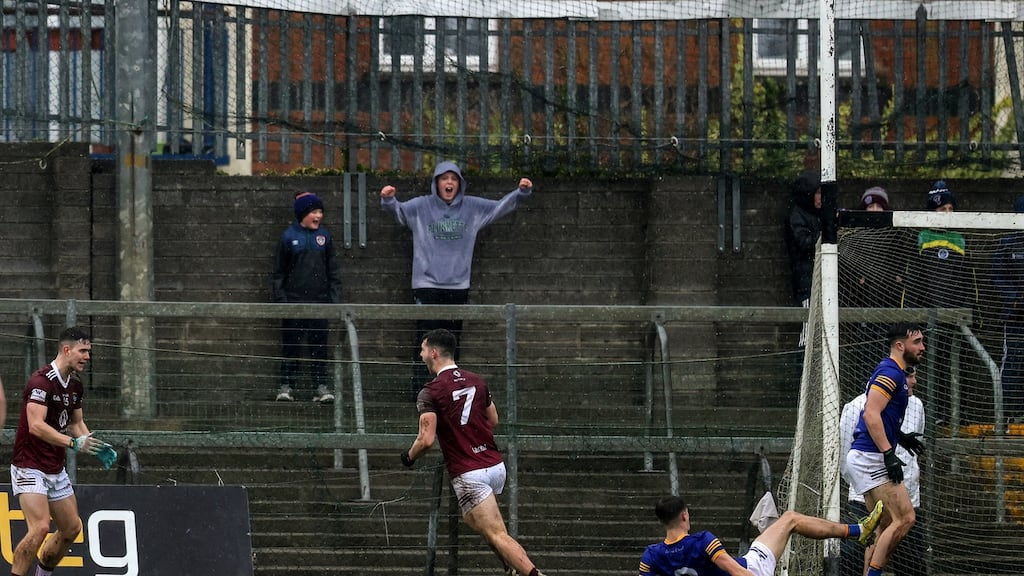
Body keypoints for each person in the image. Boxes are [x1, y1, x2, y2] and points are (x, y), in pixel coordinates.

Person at [400, 329, 546, 576]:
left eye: (423, 349)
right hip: (494, 465)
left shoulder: (431, 390)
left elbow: (425, 440)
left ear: (434, 353)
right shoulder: (477, 380)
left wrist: (408, 457)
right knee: (473, 519)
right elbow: (494, 419)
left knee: (497, 533)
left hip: (469, 471)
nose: (421, 354)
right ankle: (510, 569)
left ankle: (533, 574)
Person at [381, 162, 533, 399]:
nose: (449, 183)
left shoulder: (472, 207)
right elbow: (399, 213)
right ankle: (421, 390)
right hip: (426, 284)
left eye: (453, 179)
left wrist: (521, 193)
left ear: (459, 184)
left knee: (451, 341)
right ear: (436, 183)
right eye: (444, 179)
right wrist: (389, 200)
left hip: (458, 285)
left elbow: (500, 207)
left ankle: (449, 390)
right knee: (426, 340)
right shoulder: (422, 206)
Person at [10, 326, 117, 576]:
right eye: (83, 351)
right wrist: (72, 444)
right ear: (66, 349)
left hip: (55, 468)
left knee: (71, 528)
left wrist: (94, 445)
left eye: (89, 351)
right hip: (29, 466)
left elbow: (76, 423)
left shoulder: (75, 386)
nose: (87, 357)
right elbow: (36, 426)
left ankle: (42, 573)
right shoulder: (41, 381)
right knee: (40, 528)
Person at [845, 322, 926, 576]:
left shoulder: (897, 374)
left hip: (868, 456)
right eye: (917, 342)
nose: (922, 347)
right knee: (906, 518)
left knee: (883, 527)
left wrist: (901, 438)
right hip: (870, 458)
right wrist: (889, 454)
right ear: (900, 345)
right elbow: (870, 414)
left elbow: (881, 416)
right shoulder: (890, 373)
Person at [638, 493, 883, 576]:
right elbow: (738, 572)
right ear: (684, 516)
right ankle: (858, 531)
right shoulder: (702, 540)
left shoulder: (652, 556)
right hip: (752, 568)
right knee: (790, 519)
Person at [271, 190, 342, 403]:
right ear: (302, 213)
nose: (318, 216)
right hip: (293, 304)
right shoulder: (288, 237)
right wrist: (282, 301)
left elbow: (333, 272)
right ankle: (286, 386)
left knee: (319, 348)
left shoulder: (325, 237)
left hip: (320, 304)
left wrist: (333, 301)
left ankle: (321, 387)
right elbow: (278, 273)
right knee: (291, 346)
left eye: (320, 211)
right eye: (314, 211)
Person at [992, 195, 1024, 423]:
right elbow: (996, 276)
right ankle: (1007, 417)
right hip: (1015, 319)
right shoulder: (1007, 242)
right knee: (1011, 364)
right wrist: (1013, 298)